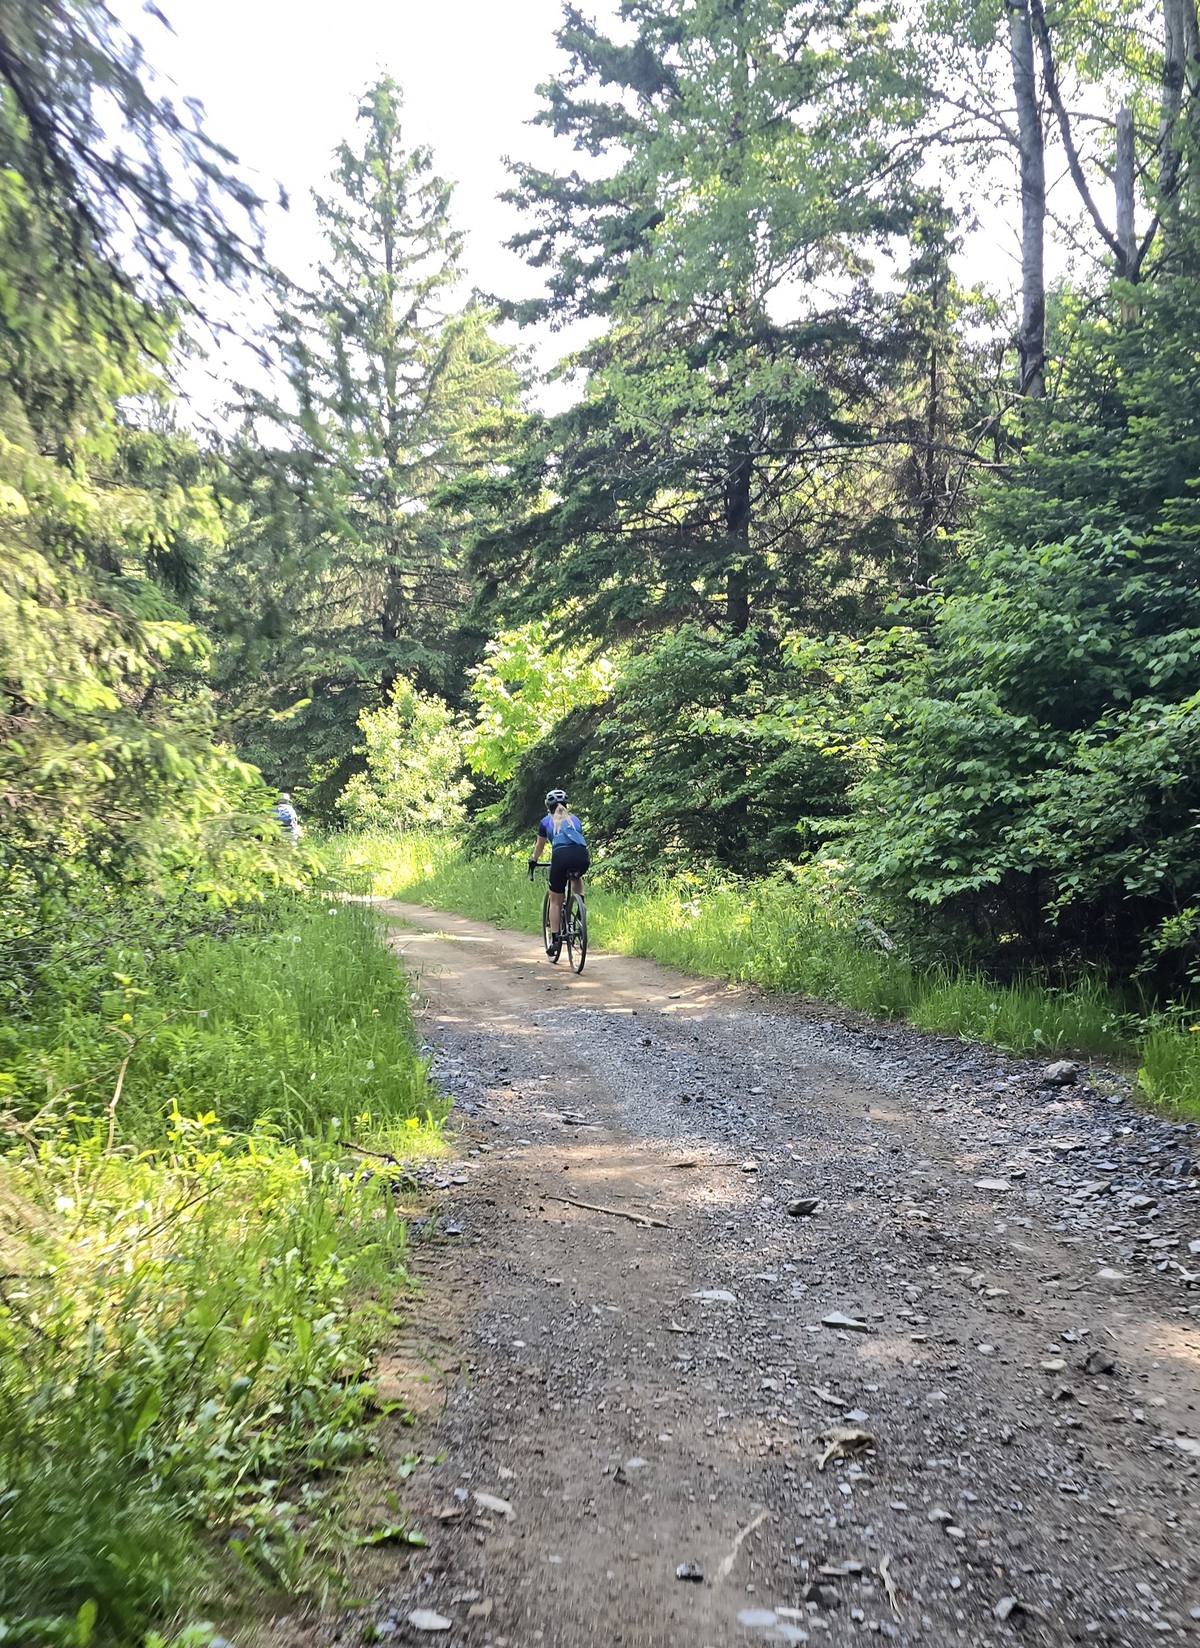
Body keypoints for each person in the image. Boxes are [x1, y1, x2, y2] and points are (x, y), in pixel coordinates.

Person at [529, 787, 589, 958]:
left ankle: (555, 940)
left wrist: (533, 860)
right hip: (582, 856)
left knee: (555, 900)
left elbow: (540, 847)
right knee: (577, 876)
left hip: (560, 857)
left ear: (549, 806)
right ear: (566, 804)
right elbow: (576, 840)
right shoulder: (575, 820)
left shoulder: (546, 821)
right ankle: (580, 908)